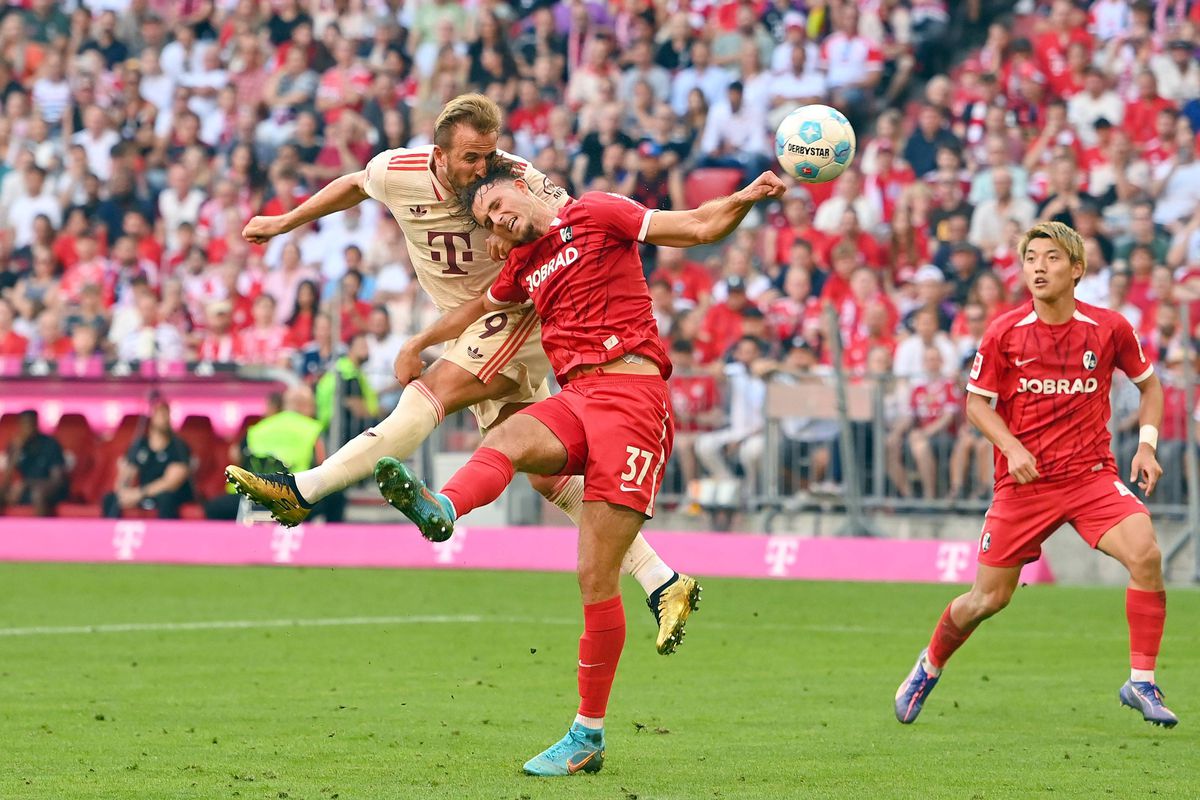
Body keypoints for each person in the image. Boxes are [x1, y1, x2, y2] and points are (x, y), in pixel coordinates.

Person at [226, 93, 693, 654]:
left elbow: (568, 229)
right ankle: (662, 580)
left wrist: (516, 233)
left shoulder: (515, 179)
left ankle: (305, 489)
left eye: (489, 154)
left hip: (516, 312)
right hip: (469, 324)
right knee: (545, 474)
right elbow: (355, 183)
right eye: (472, 157)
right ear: (439, 155)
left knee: (431, 393)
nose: (484, 167)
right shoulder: (398, 171)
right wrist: (283, 221)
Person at [372, 161, 785, 776]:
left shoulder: (595, 212)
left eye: (498, 205)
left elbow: (698, 227)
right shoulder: (523, 264)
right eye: (486, 219)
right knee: (509, 435)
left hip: (633, 399)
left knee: (595, 576)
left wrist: (750, 195)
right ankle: (444, 509)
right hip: (576, 397)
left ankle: (587, 735)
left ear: (523, 186)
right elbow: (475, 312)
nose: (497, 218)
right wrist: (416, 343)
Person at [894, 222, 1178, 728]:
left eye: (1050, 258)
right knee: (988, 599)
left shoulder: (1110, 327)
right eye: (1030, 259)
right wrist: (1011, 447)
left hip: (1091, 477)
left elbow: (1150, 387)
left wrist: (1147, 446)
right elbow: (977, 404)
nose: (1038, 267)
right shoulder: (1005, 331)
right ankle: (929, 665)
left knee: (1147, 554)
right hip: (1023, 485)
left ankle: (1141, 681)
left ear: (1076, 269)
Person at [207, 387, 345, 522]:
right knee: (336, 497)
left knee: (214, 509)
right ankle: (330, 540)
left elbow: (236, 456)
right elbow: (324, 466)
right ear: (304, 406)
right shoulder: (313, 429)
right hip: (293, 498)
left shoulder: (258, 428)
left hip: (248, 498)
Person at [103, 399, 193, 519]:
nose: (163, 418)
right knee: (111, 499)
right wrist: (123, 491)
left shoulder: (177, 446)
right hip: (143, 494)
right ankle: (112, 534)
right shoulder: (140, 445)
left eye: (166, 413)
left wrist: (139, 493)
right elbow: (127, 473)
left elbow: (171, 482)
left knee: (166, 498)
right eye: (159, 413)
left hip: (165, 494)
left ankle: (167, 536)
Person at [0, 410, 66, 516]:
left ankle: (42, 530)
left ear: (36, 425)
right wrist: (16, 451)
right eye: (23, 425)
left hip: (47, 489)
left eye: (29, 424)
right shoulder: (17, 445)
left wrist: (25, 484)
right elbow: (6, 480)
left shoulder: (50, 444)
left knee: (37, 493)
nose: (26, 429)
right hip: (25, 489)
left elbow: (57, 480)